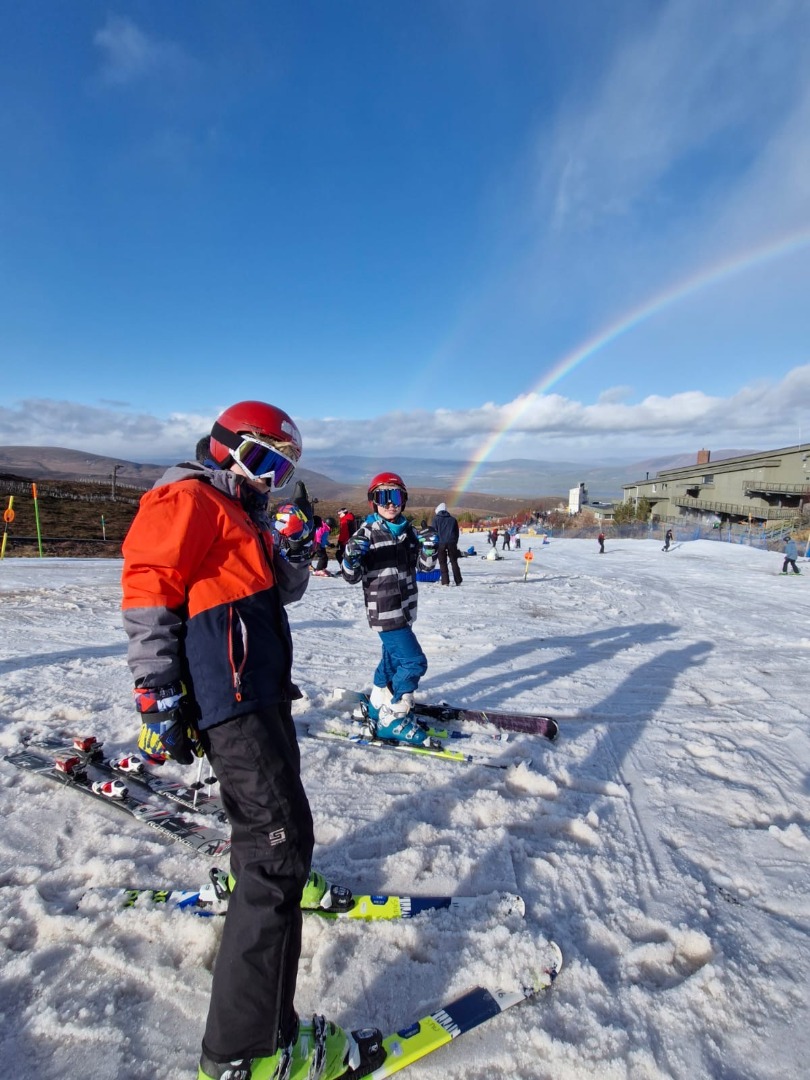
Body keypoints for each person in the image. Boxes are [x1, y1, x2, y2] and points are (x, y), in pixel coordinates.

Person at [121, 401, 383, 1080]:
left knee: (275, 837)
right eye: (263, 462)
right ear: (225, 448)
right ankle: (251, 1048)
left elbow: (279, 588)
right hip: (231, 699)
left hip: (259, 694)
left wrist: (291, 544)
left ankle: (254, 1020)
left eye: (283, 471)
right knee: (278, 850)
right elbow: (149, 587)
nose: (270, 479)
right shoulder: (189, 498)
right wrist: (156, 690)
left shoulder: (243, 514)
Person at [341, 471, 438, 745]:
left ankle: (376, 704)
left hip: (406, 609)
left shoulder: (409, 533)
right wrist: (350, 557)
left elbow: (424, 568)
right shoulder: (366, 534)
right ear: (373, 501)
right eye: (383, 497)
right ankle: (392, 717)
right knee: (413, 662)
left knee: (391, 661)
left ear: (403, 499)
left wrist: (429, 549)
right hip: (385, 612)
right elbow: (350, 576)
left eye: (395, 496)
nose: (390, 503)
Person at [431, 502, 463, 587]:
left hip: (440, 543)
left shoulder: (435, 519)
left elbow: (433, 532)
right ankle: (458, 580)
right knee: (454, 561)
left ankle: (445, 581)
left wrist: (434, 544)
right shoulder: (453, 519)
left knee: (443, 563)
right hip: (452, 543)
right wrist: (454, 542)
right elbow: (456, 533)